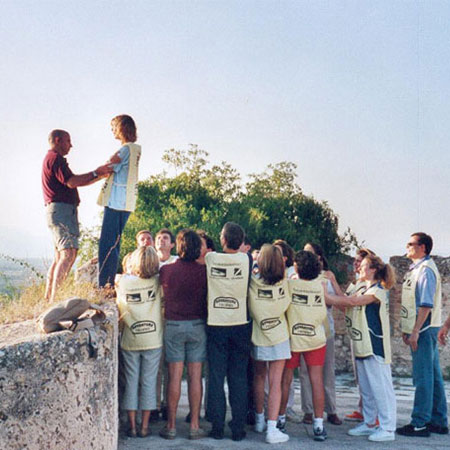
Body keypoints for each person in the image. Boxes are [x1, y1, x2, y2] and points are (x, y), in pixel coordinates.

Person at [325, 255, 397, 442]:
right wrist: (332, 287)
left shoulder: (378, 290)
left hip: (375, 345)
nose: (359, 268)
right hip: (360, 344)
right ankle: (369, 421)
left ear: (373, 269)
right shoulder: (360, 286)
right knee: (366, 387)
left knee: (381, 387)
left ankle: (388, 427)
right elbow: (345, 302)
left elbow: (353, 302)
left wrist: (326, 296)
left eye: (363, 265)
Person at [42, 129, 113, 302]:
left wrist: (100, 175)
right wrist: (97, 172)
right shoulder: (55, 159)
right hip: (62, 211)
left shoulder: (51, 159)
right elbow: (72, 181)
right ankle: (54, 300)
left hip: (56, 211)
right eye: (68, 141)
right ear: (58, 140)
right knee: (68, 253)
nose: (71, 145)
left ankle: (48, 298)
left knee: (60, 255)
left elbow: (73, 182)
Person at [397, 232, 448, 437]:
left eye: (411, 244)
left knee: (423, 376)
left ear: (423, 248)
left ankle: (420, 422)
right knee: (434, 375)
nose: (407, 246)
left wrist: (415, 330)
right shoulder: (419, 269)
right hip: (426, 328)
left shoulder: (425, 270)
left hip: (425, 329)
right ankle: (438, 420)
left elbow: (425, 305)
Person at [159, 229, 208, 440]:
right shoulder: (203, 271)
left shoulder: (167, 271)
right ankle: (195, 426)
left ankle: (170, 426)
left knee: (174, 378)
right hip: (197, 325)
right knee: (196, 378)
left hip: (174, 326)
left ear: (178, 246)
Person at [206, 222, 252, 441]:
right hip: (240, 323)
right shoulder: (247, 259)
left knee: (216, 377)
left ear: (223, 239)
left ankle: (216, 427)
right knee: (238, 377)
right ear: (241, 241)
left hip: (216, 323)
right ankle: (238, 428)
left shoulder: (211, 258)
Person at [279, 250, 329, 442]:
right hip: (315, 337)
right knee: (316, 381)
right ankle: (318, 425)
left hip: (293, 338)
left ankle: (281, 420)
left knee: (286, 380)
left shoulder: (290, 284)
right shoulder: (321, 285)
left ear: (297, 267)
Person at [115, 246, 163, 438]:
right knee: (149, 382)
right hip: (153, 338)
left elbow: (117, 279)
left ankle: (132, 426)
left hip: (131, 339)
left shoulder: (124, 282)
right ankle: (144, 426)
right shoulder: (158, 281)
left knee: (132, 382)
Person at [249, 244, 290, 444]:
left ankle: (258, 420)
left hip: (258, 335)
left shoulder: (252, 283)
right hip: (280, 335)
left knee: (258, 377)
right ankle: (272, 429)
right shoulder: (286, 283)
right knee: (276, 383)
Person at [299, 243, 342, 426]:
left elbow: (339, 297)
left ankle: (331, 409)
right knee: (304, 372)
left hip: (325, 327)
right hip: (305, 328)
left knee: (327, 371)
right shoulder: (299, 276)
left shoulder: (328, 276)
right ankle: (308, 410)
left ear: (318, 257)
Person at [98, 114, 141, 288]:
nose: (112, 131)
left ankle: (104, 284)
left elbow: (106, 168)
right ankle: (108, 282)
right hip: (127, 201)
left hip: (116, 200)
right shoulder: (135, 149)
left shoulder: (124, 150)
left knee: (107, 243)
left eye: (114, 127)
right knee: (115, 242)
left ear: (122, 128)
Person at [345, 248, 376, 422]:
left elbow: (349, 301)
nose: (356, 264)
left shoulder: (369, 286)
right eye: (355, 261)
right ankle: (363, 408)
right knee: (360, 376)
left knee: (370, 377)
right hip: (355, 332)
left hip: (365, 335)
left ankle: (373, 415)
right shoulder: (357, 283)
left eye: (360, 261)